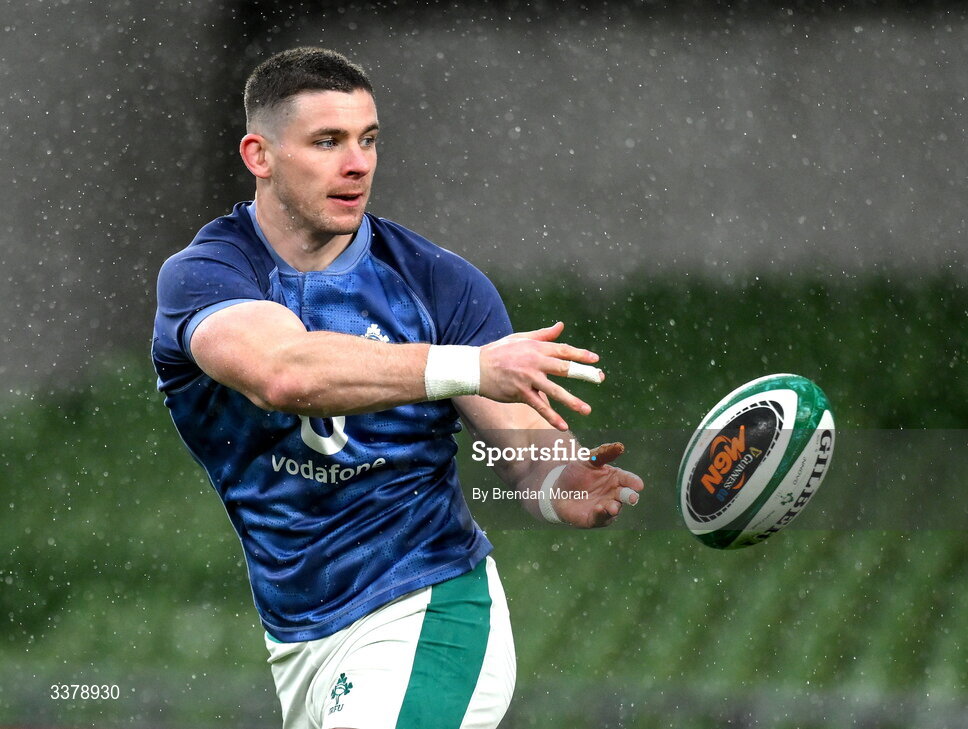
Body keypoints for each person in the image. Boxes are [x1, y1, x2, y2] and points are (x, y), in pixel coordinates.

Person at [152, 46, 644, 729]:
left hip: (431, 610)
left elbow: (525, 453)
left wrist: (561, 482)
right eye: (327, 141)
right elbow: (283, 372)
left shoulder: (440, 283)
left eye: (368, 140)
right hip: (300, 639)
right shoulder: (206, 276)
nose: (358, 163)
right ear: (259, 155)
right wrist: (469, 365)